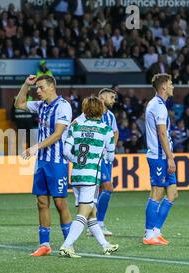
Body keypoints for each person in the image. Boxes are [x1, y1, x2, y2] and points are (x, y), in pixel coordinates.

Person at [14, 74, 73, 257]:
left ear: (51, 87)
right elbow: (19, 104)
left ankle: (68, 243)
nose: (37, 91)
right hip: (42, 163)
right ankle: (45, 245)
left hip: (58, 163)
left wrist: (35, 147)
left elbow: (57, 134)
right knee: (41, 202)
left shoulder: (63, 106)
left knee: (60, 202)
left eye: (40, 88)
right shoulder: (41, 106)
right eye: (36, 88)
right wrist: (26, 84)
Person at [59, 96, 119, 258]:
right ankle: (66, 245)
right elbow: (110, 157)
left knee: (91, 212)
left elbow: (66, 152)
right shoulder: (105, 129)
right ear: (101, 109)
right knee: (84, 212)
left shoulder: (76, 126)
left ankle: (105, 245)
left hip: (77, 174)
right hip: (91, 175)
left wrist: (77, 160)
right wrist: (104, 154)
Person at [75, 88, 118, 236]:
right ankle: (97, 223)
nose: (113, 100)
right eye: (111, 97)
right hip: (93, 158)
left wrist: (110, 148)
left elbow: (115, 133)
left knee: (100, 190)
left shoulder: (110, 116)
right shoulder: (88, 114)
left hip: (105, 158)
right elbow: (73, 126)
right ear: (102, 97)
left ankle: (93, 224)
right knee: (107, 188)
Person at [143, 73, 178, 245]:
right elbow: (162, 133)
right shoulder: (157, 106)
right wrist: (170, 158)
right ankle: (149, 234)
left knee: (172, 194)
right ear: (163, 86)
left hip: (164, 155)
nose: (172, 86)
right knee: (157, 193)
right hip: (159, 157)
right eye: (170, 83)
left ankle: (156, 231)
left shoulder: (158, 104)